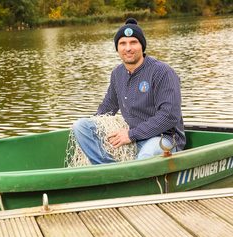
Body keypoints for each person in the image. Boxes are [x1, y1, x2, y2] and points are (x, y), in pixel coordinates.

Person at [72, 18, 186, 165]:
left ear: (142, 46)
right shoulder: (117, 74)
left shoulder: (162, 72)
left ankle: (126, 176)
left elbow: (169, 115)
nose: (128, 48)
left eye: (133, 42)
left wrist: (131, 135)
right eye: (122, 43)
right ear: (117, 48)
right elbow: (107, 107)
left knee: (146, 154)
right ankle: (109, 169)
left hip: (165, 138)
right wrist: (94, 125)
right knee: (81, 126)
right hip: (133, 136)